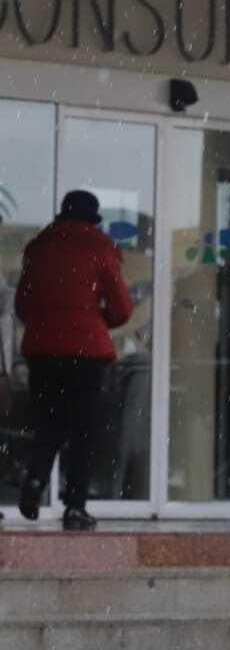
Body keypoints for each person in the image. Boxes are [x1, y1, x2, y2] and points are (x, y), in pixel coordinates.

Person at [13, 190, 134, 531]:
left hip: (42, 351)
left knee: (49, 423)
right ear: (92, 219)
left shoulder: (39, 248)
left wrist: (48, 323)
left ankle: (35, 478)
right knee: (85, 430)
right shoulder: (100, 247)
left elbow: (22, 306)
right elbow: (122, 309)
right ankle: (75, 506)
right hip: (86, 354)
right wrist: (94, 321)